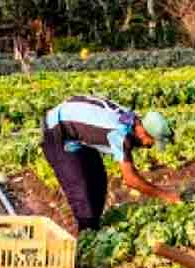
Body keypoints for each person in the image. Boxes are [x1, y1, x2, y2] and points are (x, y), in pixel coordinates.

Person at [41, 96, 181, 232]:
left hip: (74, 127)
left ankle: (94, 227)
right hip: (57, 130)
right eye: (152, 142)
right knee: (83, 197)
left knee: (98, 181)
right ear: (143, 133)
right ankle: (86, 238)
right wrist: (165, 195)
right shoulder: (121, 133)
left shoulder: (132, 118)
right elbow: (130, 179)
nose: (149, 146)